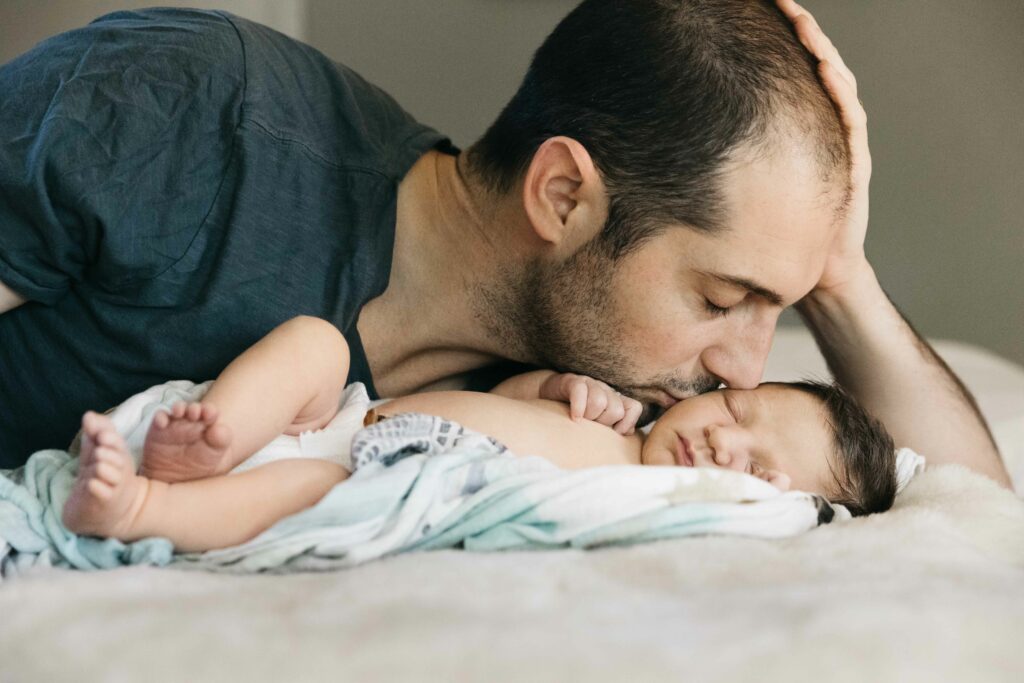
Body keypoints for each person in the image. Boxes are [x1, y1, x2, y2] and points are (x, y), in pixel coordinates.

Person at [0, 2, 1010, 490]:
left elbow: (966, 514)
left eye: (774, 311)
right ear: (563, 195)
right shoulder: (196, 109)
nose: (743, 368)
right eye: (718, 297)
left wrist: (838, 277)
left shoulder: (577, 401)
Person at [61, 315, 896, 553]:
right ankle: (216, 435)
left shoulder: (653, 500)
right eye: (736, 416)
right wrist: (557, 385)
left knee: (305, 490)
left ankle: (140, 507)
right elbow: (502, 394)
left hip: (372, 482)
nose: (722, 447)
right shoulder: (617, 414)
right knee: (317, 341)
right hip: (346, 421)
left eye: (755, 467)